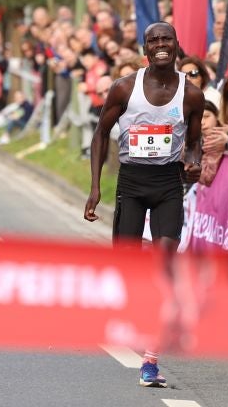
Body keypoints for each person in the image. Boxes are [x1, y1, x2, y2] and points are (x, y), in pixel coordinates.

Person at [83, 22, 203, 388]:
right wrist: (94, 188)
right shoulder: (125, 88)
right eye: (154, 40)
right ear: (145, 49)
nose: (162, 45)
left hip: (168, 183)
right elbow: (102, 133)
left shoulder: (191, 94)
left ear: (177, 45)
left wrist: (194, 162)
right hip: (132, 183)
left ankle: (151, 359)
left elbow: (195, 141)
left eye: (167, 39)